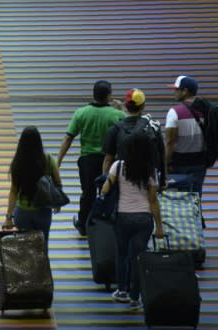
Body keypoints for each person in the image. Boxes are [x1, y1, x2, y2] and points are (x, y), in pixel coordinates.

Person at [102, 132, 163, 311]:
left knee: (121, 254)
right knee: (138, 258)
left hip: (122, 216)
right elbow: (153, 200)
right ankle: (135, 298)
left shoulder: (118, 166)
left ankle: (121, 291)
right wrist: (159, 226)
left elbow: (105, 190)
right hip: (143, 218)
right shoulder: (151, 170)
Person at [57, 80, 125, 236]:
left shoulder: (81, 112)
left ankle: (83, 225)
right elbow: (130, 128)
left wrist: (58, 161)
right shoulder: (117, 115)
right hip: (109, 161)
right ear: (109, 95)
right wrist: (121, 109)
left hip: (87, 161)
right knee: (107, 192)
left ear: (93, 94)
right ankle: (106, 224)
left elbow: (68, 138)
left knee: (87, 193)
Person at [3, 126, 63, 243]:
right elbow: (58, 182)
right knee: (42, 246)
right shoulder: (48, 159)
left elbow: (14, 192)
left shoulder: (18, 162)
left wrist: (9, 217)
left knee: (25, 248)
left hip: (22, 212)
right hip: (43, 211)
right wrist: (57, 202)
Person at [102, 88, 166, 188]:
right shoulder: (152, 126)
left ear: (126, 106)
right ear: (143, 106)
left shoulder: (115, 128)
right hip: (148, 181)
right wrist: (163, 181)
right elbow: (161, 155)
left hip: (123, 182)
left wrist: (105, 182)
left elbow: (108, 159)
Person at [165, 76, 206, 196]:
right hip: (200, 164)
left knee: (178, 198)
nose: (174, 92)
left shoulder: (175, 112)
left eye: (177, 89)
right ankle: (196, 214)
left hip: (179, 164)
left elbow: (170, 142)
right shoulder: (207, 110)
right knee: (196, 195)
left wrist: (165, 164)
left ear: (185, 91)